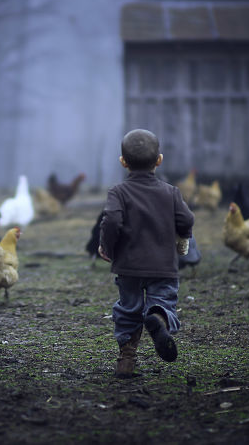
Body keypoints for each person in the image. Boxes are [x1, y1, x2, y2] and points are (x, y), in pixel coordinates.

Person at [98, 129, 195, 378]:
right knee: (162, 301)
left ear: (123, 162)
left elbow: (111, 221)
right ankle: (158, 319)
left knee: (128, 310)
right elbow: (186, 219)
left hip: (128, 266)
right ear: (159, 160)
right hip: (162, 265)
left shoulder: (117, 192)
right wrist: (182, 237)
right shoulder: (171, 192)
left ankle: (126, 362)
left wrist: (106, 247)